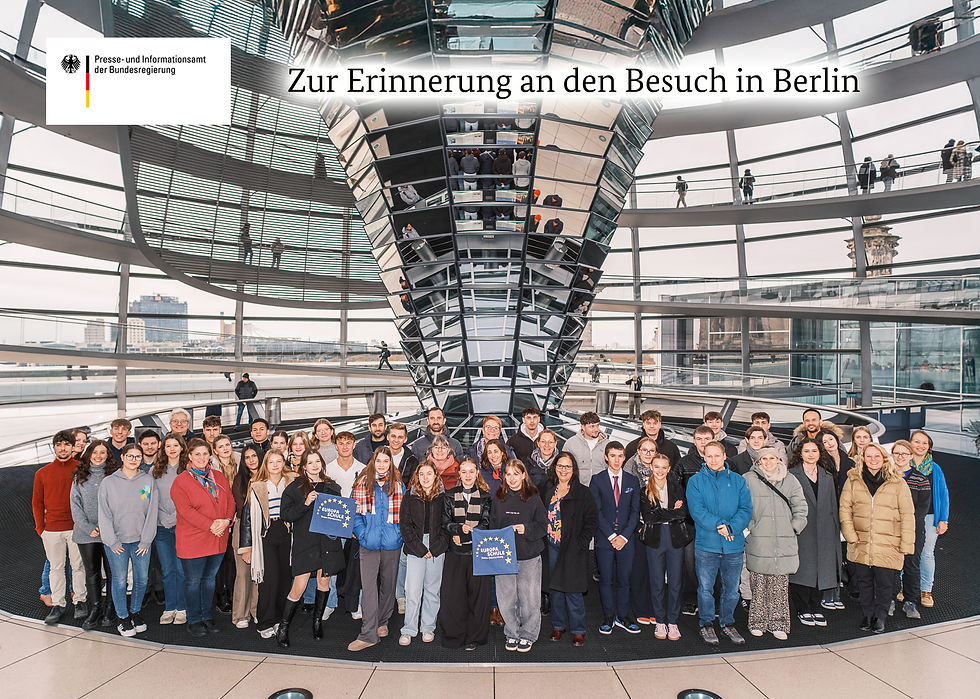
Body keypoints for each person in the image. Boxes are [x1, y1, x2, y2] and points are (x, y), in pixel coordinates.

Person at [840, 443, 914, 634]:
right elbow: (845, 509)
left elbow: (907, 514)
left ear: (884, 458)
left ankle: (880, 616)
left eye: (877, 456)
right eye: (869, 456)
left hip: (889, 543)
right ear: (863, 458)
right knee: (863, 582)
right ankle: (867, 614)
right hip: (860, 541)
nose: (873, 460)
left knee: (884, 583)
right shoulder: (853, 480)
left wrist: (906, 543)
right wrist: (850, 534)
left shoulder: (898, 482)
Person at [686, 441, 753, 645]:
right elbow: (697, 511)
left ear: (725, 456)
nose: (713, 460)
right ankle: (706, 624)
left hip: (733, 544)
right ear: (704, 457)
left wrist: (731, 528)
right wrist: (719, 525)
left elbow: (746, 509)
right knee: (705, 588)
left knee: (731, 589)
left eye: (717, 455)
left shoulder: (739, 481)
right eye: (709, 456)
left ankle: (727, 623)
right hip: (707, 544)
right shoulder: (696, 481)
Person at [278, 451, 345, 646]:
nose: (314, 465)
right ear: (304, 466)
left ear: (322, 464)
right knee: (298, 587)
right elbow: (286, 515)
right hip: (305, 544)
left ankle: (317, 622)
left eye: (317, 461)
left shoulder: (332, 487)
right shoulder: (294, 488)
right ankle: (283, 627)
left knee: (324, 584)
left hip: (327, 543)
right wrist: (306, 503)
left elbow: (339, 514)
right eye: (310, 462)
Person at [170, 438, 236, 637]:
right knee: (193, 581)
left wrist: (226, 521)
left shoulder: (218, 476)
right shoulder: (181, 481)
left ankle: (207, 616)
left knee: (209, 580)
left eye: (205, 454)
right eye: (197, 454)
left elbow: (231, 501)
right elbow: (185, 510)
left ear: (210, 456)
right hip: (193, 539)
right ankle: (194, 619)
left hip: (217, 538)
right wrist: (211, 525)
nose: (201, 457)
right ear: (189, 456)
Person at [743, 447, 808, 640]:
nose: (769, 462)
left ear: (779, 460)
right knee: (759, 582)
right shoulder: (748, 479)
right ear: (758, 461)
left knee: (779, 583)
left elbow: (801, 506)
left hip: (783, 540)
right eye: (765, 458)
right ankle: (757, 622)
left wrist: (794, 527)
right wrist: (749, 529)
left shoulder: (790, 479)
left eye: (773, 458)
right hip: (758, 539)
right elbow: (742, 506)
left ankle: (779, 623)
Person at [97, 443, 159, 637]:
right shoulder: (109, 482)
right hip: (118, 543)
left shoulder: (148, 481)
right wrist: (112, 542)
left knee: (141, 580)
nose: (134, 460)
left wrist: (146, 540)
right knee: (120, 581)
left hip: (141, 542)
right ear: (122, 457)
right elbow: (104, 514)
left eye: (137, 456)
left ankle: (135, 612)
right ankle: (123, 618)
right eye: (130, 456)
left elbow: (152, 512)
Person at [348, 447, 404, 651]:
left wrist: (397, 534)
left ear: (391, 463)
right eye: (378, 460)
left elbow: (404, 513)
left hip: (392, 543)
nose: (381, 464)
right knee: (369, 588)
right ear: (373, 462)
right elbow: (354, 513)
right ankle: (368, 634)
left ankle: (382, 621)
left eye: (385, 461)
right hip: (368, 543)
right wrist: (362, 534)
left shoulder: (398, 484)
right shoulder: (362, 483)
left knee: (388, 587)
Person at [541, 452, 598, 647]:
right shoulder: (547, 489)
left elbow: (592, 521)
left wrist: (581, 543)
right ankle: (558, 626)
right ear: (554, 468)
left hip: (573, 548)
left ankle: (578, 629)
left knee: (573, 590)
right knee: (555, 588)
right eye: (560, 466)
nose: (563, 470)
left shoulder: (582, 492)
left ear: (573, 470)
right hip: (551, 548)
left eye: (567, 466)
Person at [239, 449, 296, 641]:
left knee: (285, 578)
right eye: (271, 462)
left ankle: (280, 618)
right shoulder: (257, 486)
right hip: (266, 534)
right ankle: (264, 621)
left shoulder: (292, 481)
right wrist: (246, 547)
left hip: (287, 532)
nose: (275, 465)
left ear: (283, 462)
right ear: (266, 464)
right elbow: (247, 519)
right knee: (268, 580)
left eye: (279, 461)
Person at [492, 459, 547, 652]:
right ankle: (512, 632)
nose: (512, 478)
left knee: (529, 598)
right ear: (504, 477)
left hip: (528, 555)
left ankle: (529, 634)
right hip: (503, 557)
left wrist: (525, 529)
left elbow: (543, 526)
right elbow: (492, 527)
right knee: (506, 598)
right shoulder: (498, 498)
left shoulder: (533, 497)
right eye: (508, 474)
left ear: (524, 475)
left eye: (516, 473)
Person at [33, 430, 87, 625]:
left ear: (73, 447)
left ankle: (80, 601)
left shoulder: (81, 469)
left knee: (78, 566)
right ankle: (58, 604)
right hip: (52, 530)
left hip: (76, 528)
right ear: (54, 447)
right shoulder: (42, 473)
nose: (62, 448)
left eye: (66, 444)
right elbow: (37, 503)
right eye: (59, 445)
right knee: (56, 568)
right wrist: (41, 529)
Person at [787, 439, 841, 628]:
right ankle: (803, 608)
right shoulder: (792, 475)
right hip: (803, 529)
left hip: (825, 528)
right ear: (800, 453)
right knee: (803, 569)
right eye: (806, 451)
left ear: (820, 453)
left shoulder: (827, 475)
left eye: (814, 451)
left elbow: (833, 504)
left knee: (822, 568)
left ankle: (816, 606)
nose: (811, 454)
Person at [439, 457, 492, 650]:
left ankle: (474, 637)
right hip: (455, 553)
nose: (468, 475)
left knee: (478, 599)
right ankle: (454, 635)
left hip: (478, 554)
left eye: (471, 471)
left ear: (477, 473)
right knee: (454, 598)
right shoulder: (449, 496)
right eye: (464, 472)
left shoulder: (486, 497)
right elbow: (444, 522)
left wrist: (470, 534)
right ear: (459, 474)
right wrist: (457, 530)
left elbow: (487, 523)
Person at [639, 453, 693, 641]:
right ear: (651, 468)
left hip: (675, 539)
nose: (660, 471)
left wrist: (665, 513)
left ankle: (673, 622)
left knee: (676, 582)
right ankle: (660, 621)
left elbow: (683, 513)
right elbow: (649, 517)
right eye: (657, 467)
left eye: (664, 467)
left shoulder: (677, 487)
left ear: (669, 469)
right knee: (657, 582)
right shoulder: (645, 489)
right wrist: (672, 512)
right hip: (655, 540)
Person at [590, 441, 641, 635]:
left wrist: (624, 536)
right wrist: (612, 536)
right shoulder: (597, 480)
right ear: (606, 457)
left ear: (624, 457)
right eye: (613, 456)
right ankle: (608, 616)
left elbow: (635, 512)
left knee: (624, 579)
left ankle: (623, 616)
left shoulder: (632, 481)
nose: (617, 460)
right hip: (605, 538)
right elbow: (597, 511)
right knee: (605, 579)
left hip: (627, 539)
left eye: (620, 456)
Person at [398, 461, 448, 646]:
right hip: (415, 547)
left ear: (436, 476)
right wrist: (419, 548)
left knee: (432, 590)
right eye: (422, 474)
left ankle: (428, 627)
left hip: (436, 547)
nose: (425, 478)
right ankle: (409, 629)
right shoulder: (409, 498)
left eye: (429, 474)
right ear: (417, 477)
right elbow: (405, 526)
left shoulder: (443, 498)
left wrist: (435, 548)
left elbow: (447, 526)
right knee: (412, 590)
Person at [70, 440, 116, 630]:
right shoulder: (79, 477)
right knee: (92, 573)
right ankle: (95, 609)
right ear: (88, 454)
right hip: (87, 534)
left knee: (114, 573)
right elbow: (75, 505)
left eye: (102, 452)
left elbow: (120, 505)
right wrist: (89, 527)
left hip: (111, 534)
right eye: (94, 452)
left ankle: (110, 610)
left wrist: (108, 527)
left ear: (108, 455)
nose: (98, 456)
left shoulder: (114, 476)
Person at [906, 430, 949, 610]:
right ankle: (905, 587)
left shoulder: (935, 468)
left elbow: (943, 494)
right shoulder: (901, 464)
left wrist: (943, 519)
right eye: (917, 442)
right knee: (907, 551)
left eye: (925, 443)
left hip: (930, 516)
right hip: (906, 517)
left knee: (926, 554)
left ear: (929, 447)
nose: (921, 446)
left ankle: (926, 590)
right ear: (910, 443)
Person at [152, 434, 189, 626]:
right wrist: (161, 517)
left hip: (183, 526)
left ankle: (182, 607)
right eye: (168, 446)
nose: (172, 449)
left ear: (182, 447)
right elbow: (146, 496)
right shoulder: (154, 471)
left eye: (176, 445)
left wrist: (175, 516)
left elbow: (193, 499)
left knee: (182, 570)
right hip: (161, 528)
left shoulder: (189, 470)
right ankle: (170, 607)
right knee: (167, 570)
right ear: (163, 448)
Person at [231, 445, 261, 628]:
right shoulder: (240, 480)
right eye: (247, 457)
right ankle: (240, 615)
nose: (251, 460)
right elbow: (243, 509)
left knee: (259, 574)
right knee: (243, 574)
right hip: (243, 529)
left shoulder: (269, 477)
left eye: (254, 456)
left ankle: (257, 611)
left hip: (263, 530)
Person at [211, 435, 240, 615]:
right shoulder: (210, 469)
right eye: (220, 446)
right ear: (215, 450)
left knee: (232, 559)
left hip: (237, 518)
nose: (225, 449)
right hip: (219, 520)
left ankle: (231, 593)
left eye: (227, 445)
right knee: (219, 560)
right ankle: (220, 595)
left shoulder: (239, 463)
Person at [564, 412, 608, 485]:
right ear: (583, 427)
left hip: (601, 489)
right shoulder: (570, 444)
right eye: (592, 426)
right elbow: (564, 467)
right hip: (578, 489)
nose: (596, 429)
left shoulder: (607, 444)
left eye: (597, 425)